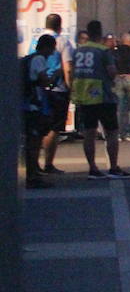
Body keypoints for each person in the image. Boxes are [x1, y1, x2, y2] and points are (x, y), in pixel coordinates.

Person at [71, 20, 130, 179]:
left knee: (89, 132)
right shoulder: (103, 51)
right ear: (100, 32)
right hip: (103, 95)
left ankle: (92, 168)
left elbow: (72, 71)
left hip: (84, 94)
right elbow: (111, 72)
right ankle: (113, 166)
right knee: (111, 132)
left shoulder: (78, 51)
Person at [30, 13, 73, 173]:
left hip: (38, 89)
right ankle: (48, 163)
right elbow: (67, 67)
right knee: (53, 128)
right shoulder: (62, 41)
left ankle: (34, 163)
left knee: (38, 127)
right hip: (57, 89)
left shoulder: (35, 39)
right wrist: (70, 87)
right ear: (60, 26)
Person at [22, 35, 57, 188]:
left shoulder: (29, 58)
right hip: (33, 105)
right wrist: (55, 76)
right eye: (52, 48)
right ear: (47, 47)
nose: (53, 51)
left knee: (32, 140)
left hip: (27, 104)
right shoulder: (39, 59)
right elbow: (44, 80)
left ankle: (33, 172)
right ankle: (32, 175)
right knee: (34, 141)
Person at [111, 30, 130, 138]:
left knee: (119, 107)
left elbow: (112, 67)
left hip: (118, 78)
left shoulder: (114, 51)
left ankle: (119, 133)